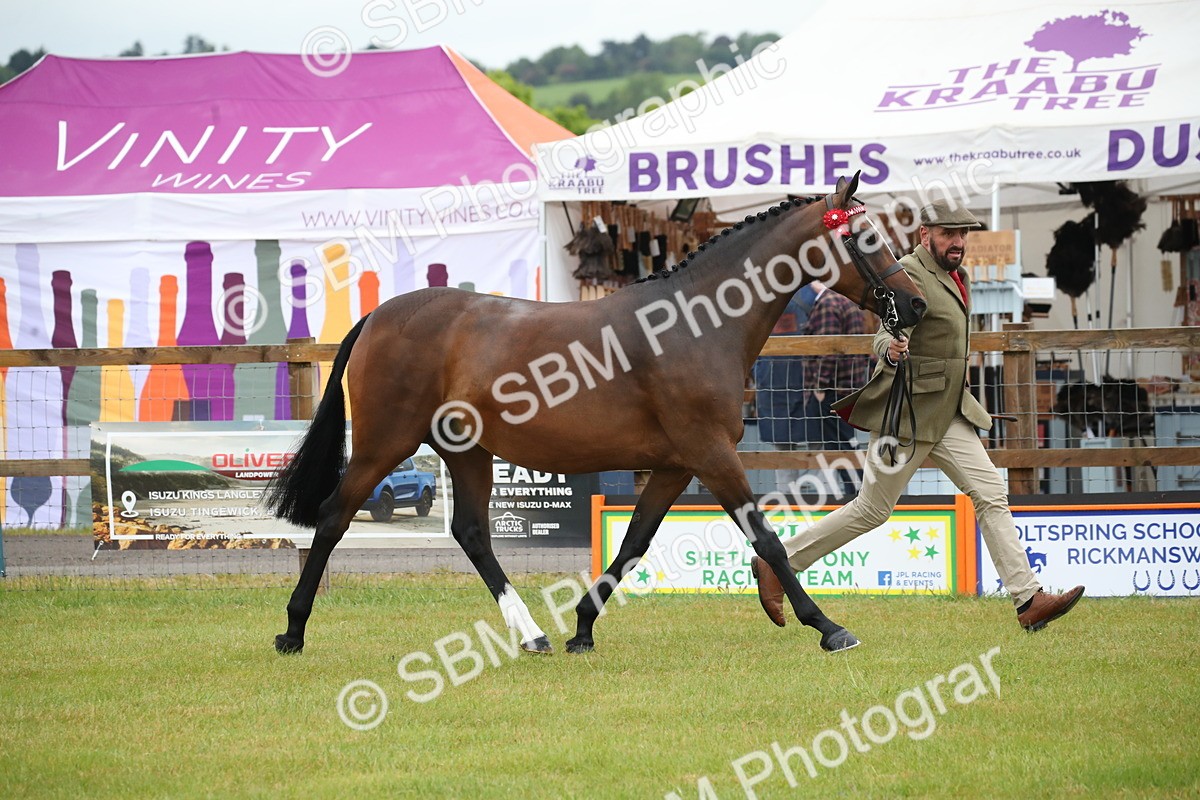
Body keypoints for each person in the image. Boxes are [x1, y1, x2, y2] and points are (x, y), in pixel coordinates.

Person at [752, 200, 1084, 634]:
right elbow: (884, 333)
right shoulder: (907, 271)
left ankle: (1028, 599)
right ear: (925, 234)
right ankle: (778, 563)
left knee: (991, 494)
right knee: (871, 509)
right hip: (907, 415)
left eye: (963, 234)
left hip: (949, 413)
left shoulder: (957, 276)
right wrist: (891, 349)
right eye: (949, 233)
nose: (958, 241)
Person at [799, 280, 870, 500]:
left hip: (832, 390)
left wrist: (820, 385)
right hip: (847, 386)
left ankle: (856, 494)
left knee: (837, 445)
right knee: (846, 442)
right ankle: (859, 491)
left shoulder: (827, 304)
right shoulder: (846, 301)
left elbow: (828, 349)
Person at [752, 285, 818, 497]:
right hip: (805, 383)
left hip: (773, 382)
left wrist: (757, 372)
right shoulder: (813, 293)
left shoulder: (760, 295)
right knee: (818, 447)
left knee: (783, 449)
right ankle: (823, 501)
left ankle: (787, 500)